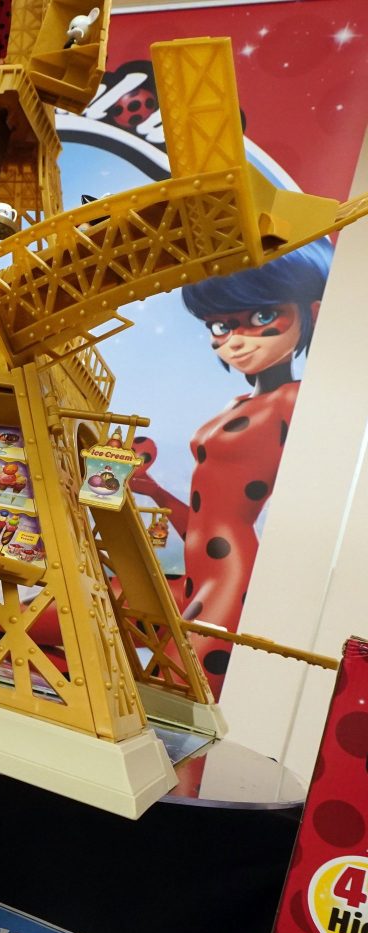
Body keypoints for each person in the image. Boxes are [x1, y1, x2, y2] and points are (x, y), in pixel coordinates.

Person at [131, 238, 332, 695]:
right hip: (199, 575)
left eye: (263, 318)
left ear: (312, 313)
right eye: (222, 325)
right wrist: (157, 493)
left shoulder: (295, 401)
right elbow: (209, 518)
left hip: (230, 583)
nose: (236, 340)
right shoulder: (243, 401)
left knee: (182, 702)